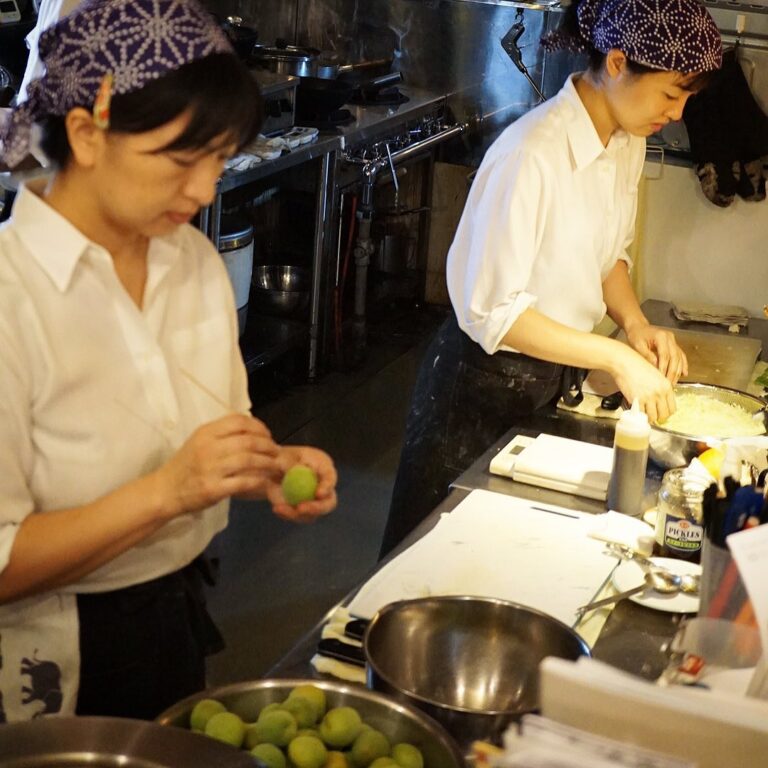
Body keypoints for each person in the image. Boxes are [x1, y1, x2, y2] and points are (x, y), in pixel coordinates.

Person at [0, 0, 337, 722]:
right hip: (45, 659)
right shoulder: (11, 295)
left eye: (220, 159)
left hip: (174, 618)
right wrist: (171, 490)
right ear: (87, 134)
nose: (206, 190)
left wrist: (265, 467)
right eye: (183, 161)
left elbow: (208, 432)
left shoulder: (190, 261)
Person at [379, 0, 722, 558]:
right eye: (670, 94)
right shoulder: (530, 153)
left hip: (550, 382)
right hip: (477, 388)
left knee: (512, 562)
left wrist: (636, 326)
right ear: (617, 63)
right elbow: (496, 313)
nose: (678, 114)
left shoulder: (626, 143)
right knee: (426, 564)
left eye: (686, 99)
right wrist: (615, 357)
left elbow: (607, 258)